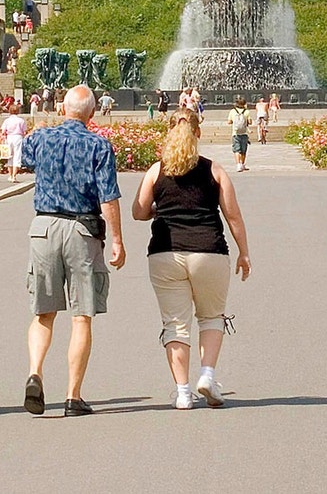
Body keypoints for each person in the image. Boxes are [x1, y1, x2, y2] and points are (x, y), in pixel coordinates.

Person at [131, 109, 251, 409]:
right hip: (209, 251)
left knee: (175, 324)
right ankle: (207, 375)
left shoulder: (157, 171)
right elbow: (233, 215)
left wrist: (159, 210)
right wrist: (244, 252)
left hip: (165, 253)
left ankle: (183, 391)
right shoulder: (214, 170)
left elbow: (138, 211)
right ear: (198, 134)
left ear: (168, 134)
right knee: (211, 317)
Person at [21, 85, 125, 418]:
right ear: (92, 113)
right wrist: (118, 240)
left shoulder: (41, 139)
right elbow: (108, 197)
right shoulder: (98, 145)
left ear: (63, 108)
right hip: (82, 229)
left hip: (44, 226)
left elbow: (22, 159)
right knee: (82, 315)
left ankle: (35, 371)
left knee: (43, 313)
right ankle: (72, 396)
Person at [2, 108, 28, 182]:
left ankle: (10, 175)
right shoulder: (21, 120)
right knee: (17, 156)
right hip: (18, 137)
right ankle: (14, 176)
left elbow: (3, 131)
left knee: (9, 156)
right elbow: (24, 131)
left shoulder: (7, 120)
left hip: (9, 137)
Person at [228, 98, 252, 172]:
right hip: (244, 133)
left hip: (235, 133)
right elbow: (250, 122)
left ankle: (238, 165)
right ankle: (243, 164)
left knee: (236, 150)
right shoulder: (247, 112)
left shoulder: (232, 111)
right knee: (243, 150)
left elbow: (229, 121)